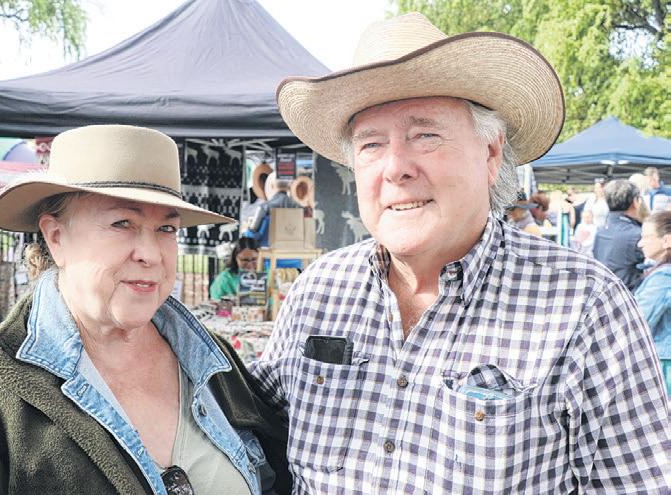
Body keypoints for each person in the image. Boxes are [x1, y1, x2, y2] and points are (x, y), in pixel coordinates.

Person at [250, 13, 670, 493]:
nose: (395, 167)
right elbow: (243, 442)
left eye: (424, 135)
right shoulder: (319, 292)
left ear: (491, 153)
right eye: (371, 145)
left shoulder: (584, 304)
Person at [0, 125, 289, 495]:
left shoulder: (213, 361)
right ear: (56, 237)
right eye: (122, 223)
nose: (150, 254)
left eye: (166, 228)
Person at [635, 210, 671, 395]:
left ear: (667, 240)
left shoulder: (663, 277)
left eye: (646, 237)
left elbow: (638, 323)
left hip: (664, 362)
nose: (640, 243)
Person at [593, 179, 645, 290]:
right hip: (629, 293)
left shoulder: (600, 231)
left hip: (605, 292)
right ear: (635, 202)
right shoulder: (637, 234)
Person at [243, 172, 301, 246]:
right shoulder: (298, 207)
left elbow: (253, 232)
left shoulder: (264, 207)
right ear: (289, 187)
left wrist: (247, 232)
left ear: (272, 186)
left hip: (268, 248)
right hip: (294, 247)